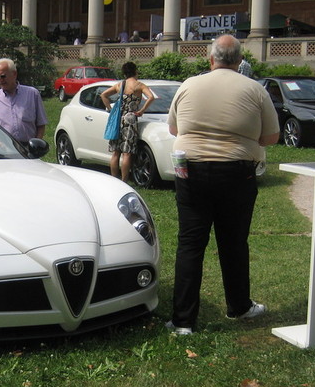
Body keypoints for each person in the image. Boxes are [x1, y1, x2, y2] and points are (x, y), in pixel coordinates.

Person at [166, 34, 280, 335]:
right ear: (240, 61)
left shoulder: (188, 85)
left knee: (190, 243)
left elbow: (174, 128)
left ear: (210, 59)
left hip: (190, 170)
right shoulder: (255, 89)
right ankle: (239, 306)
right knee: (234, 243)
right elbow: (271, 137)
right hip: (236, 172)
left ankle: (183, 321)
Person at [100, 62, 154, 182]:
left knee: (116, 152)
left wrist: (110, 109)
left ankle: (114, 180)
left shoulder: (120, 85)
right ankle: (124, 181)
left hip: (118, 118)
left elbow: (103, 95)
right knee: (127, 153)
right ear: (135, 71)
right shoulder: (139, 85)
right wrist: (141, 110)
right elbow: (151, 97)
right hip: (130, 119)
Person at [0, 58, 47, 144]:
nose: (0, 80)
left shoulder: (32, 94)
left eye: (3, 76)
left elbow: (41, 124)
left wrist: (36, 144)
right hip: (4, 148)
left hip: (28, 147)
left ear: (14, 74)